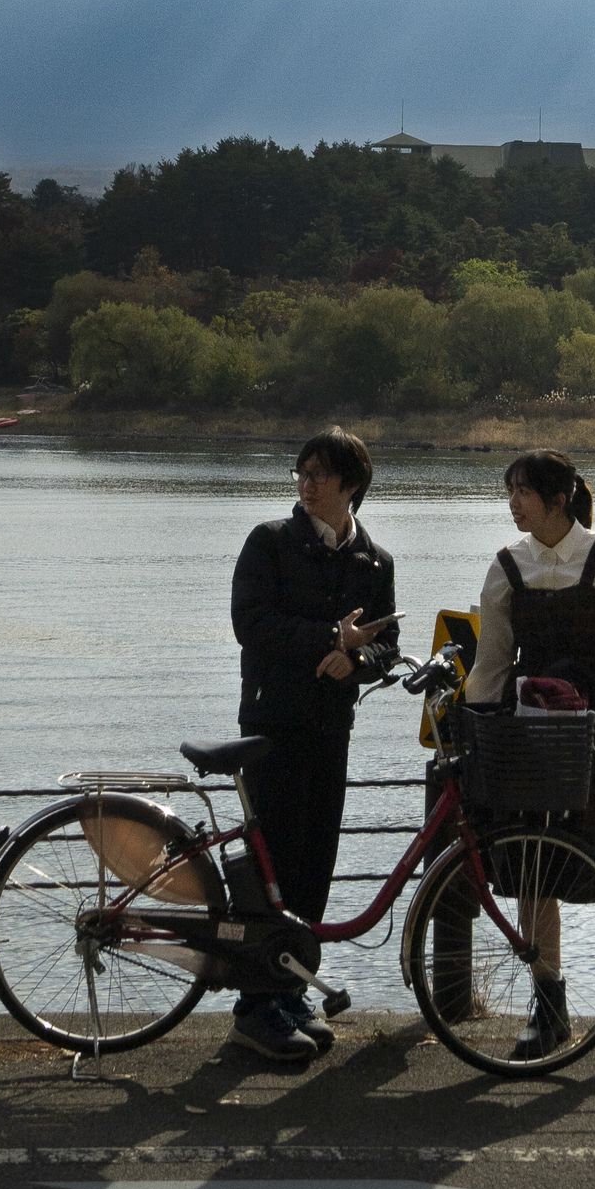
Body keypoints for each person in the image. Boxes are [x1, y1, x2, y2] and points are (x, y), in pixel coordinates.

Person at [463, 450, 595, 1064]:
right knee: (532, 876)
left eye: (523, 491)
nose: (512, 502)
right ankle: (549, 1008)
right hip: (530, 739)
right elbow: (493, 665)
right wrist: (470, 726)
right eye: (509, 491)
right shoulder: (507, 567)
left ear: (558, 498)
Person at [227, 429, 396, 1066]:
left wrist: (358, 663)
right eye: (301, 471)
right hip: (271, 727)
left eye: (321, 474)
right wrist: (330, 636)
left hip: (331, 730)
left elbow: (386, 642)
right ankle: (253, 1006)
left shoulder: (374, 561)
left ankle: (289, 991)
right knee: (271, 868)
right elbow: (251, 625)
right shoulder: (270, 541)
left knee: (314, 865)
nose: (306, 482)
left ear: (352, 484)